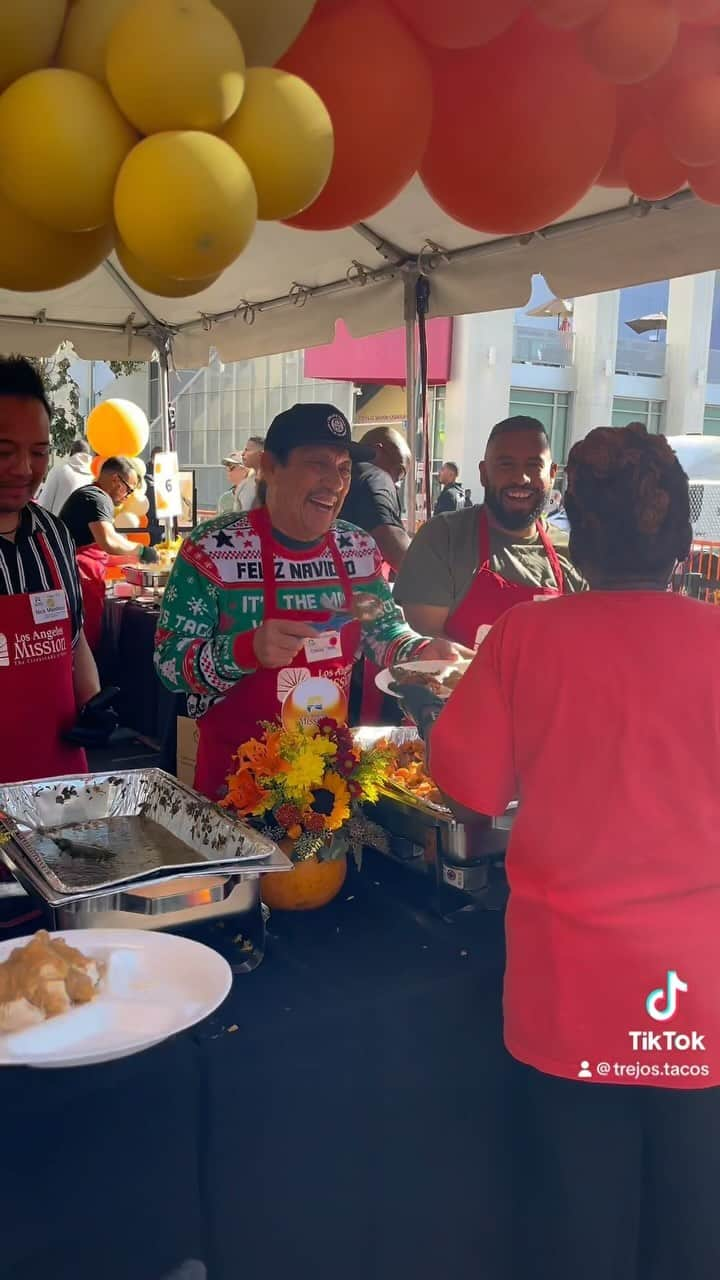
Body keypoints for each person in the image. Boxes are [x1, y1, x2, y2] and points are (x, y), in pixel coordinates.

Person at [430, 424, 720, 1279]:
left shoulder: (529, 636)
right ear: (676, 534)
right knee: (695, 1230)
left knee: (576, 1232)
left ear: (576, 529)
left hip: (570, 996)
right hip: (698, 995)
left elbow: (468, 791)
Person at [154, 404, 458, 801]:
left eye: (344, 468)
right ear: (270, 466)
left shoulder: (357, 549)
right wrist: (245, 650)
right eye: (317, 464)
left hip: (327, 789)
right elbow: (169, 664)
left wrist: (422, 652)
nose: (335, 482)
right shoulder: (212, 549)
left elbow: (380, 630)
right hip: (235, 790)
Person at [395, 416, 585, 648]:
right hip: (457, 684)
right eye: (506, 465)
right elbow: (424, 648)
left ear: (553, 474)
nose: (521, 478)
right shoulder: (444, 537)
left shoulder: (575, 553)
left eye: (534, 466)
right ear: (484, 473)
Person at [0, 357, 101, 783]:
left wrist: (94, 705)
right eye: (4, 451)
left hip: (57, 779)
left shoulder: (55, 535)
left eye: (38, 452)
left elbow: (72, 643)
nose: (24, 468)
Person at [60, 456, 158, 652]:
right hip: (81, 578)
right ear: (115, 479)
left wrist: (134, 559)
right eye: (128, 489)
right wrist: (142, 550)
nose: (127, 496)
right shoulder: (97, 498)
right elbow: (109, 541)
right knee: (83, 640)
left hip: (83, 577)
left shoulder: (88, 496)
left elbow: (100, 550)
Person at [340, 425, 412, 574]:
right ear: (377, 452)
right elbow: (402, 555)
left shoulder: (342, 479)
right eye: (398, 472)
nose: (397, 485)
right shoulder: (376, 477)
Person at [37, 437, 93, 516]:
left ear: (71, 453)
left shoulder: (59, 470)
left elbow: (43, 505)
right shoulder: (94, 477)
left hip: (58, 526)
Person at [144, 445, 163, 545]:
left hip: (163, 518)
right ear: (152, 458)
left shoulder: (167, 471)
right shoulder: (145, 472)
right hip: (149, 518)